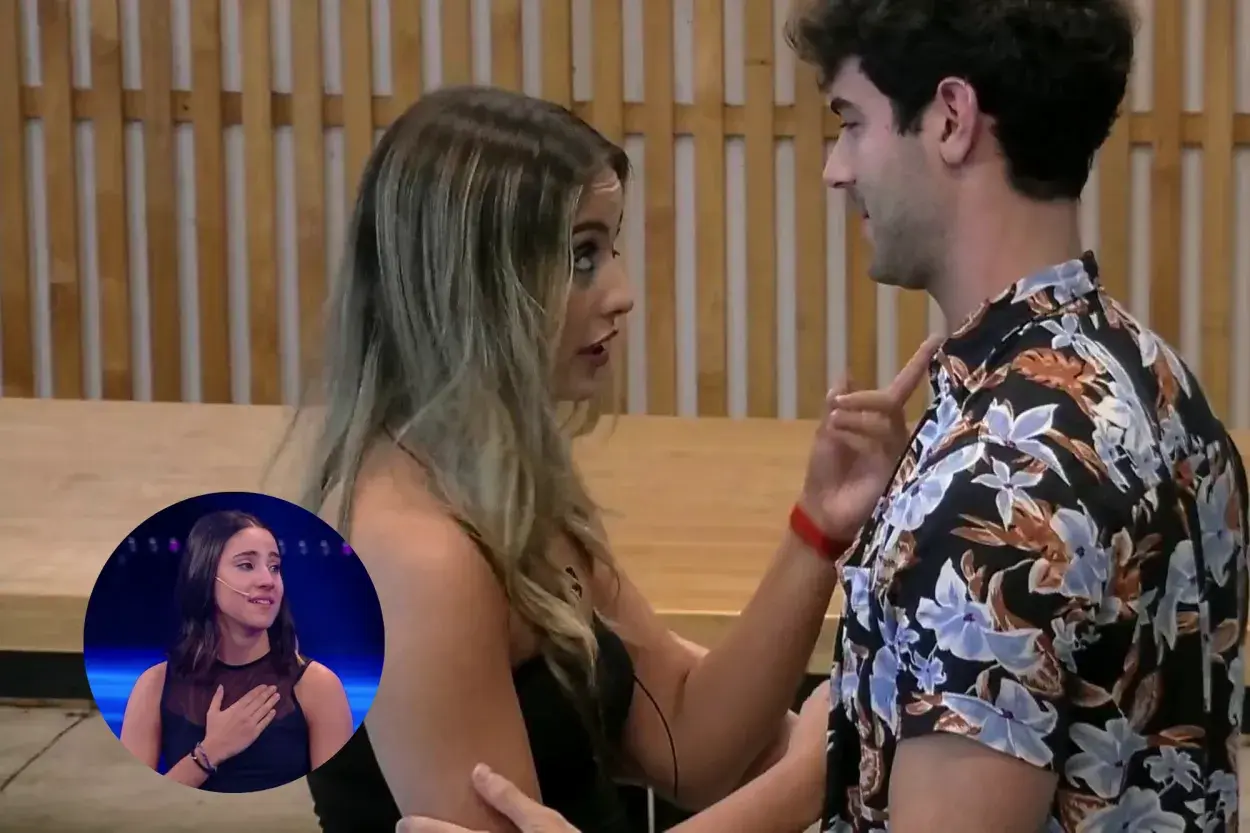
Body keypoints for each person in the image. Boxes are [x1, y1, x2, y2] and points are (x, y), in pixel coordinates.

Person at [405, 1, 1250, 832]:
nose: (836, 169)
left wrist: (830, 753)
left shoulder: (998, 485)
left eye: (851, 122)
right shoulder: (1158, 380)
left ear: (951, 118)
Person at [290, 83, 937, 833]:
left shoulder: (504, 489)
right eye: (581, 256)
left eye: (609, 248)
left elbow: (689, 741)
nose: (622, 293)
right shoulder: (419, 559)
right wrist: (811, 777)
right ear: (474, 280)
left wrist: (818, 527)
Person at [119, 510, 354, 792]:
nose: (268, 580)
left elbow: (338, 805)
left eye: (274, 567)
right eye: (246, 565)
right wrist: (210, 752)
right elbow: (135, 802)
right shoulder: (155, 685)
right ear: (206, 576)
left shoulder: (318, 686)